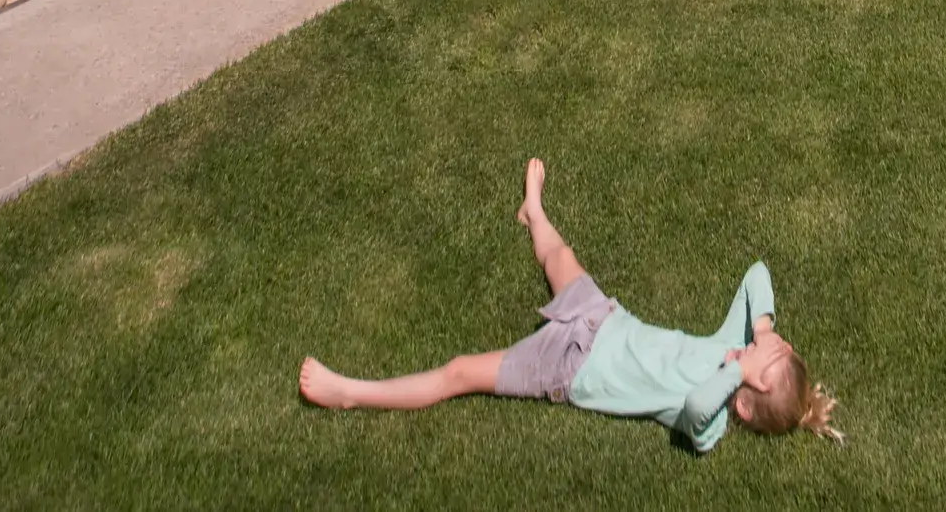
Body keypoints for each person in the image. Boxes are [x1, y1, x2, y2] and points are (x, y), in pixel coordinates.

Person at [298, 158, 839, 450]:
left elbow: (696, 408)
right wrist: (762, 333)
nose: (745, 352)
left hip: (569, 366)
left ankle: (350, 393)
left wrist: (734, 373)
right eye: (763, 350)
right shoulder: (735, 349)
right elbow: (757, 273)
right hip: (603, 318)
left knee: (459, 372)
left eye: (751, 365)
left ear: (744, 402)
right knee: (559, 254)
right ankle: (533, 211)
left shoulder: (712, 420)